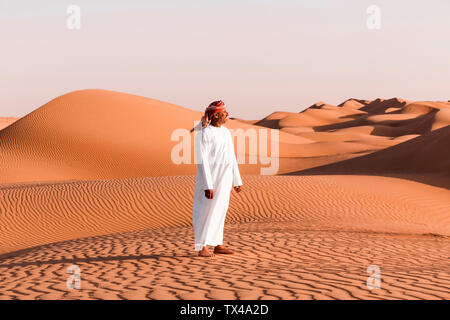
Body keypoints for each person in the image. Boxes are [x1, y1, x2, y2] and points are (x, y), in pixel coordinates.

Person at [192, 100, 243, 257]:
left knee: (220, 210)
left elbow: (231, 157)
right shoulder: (203, 135)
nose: (227, 114)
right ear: (215, 116)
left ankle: (218, 244)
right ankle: (202, 247)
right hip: (210, 181)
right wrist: (208, 185)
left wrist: (237, 180)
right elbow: (203, 161)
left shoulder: (226, 132)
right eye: (223, 112)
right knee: (205, 212)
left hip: (225, 179)